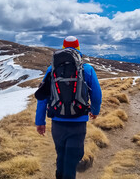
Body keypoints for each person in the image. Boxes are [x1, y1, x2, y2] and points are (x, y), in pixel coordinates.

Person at [35, 36, 102, 179]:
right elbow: (96, 94)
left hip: (57, 121)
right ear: (78, 48)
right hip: (78, 121)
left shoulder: (51, 69)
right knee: (73, 158)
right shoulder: (87, 69)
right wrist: (95, 111)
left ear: (64, 47)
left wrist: (40, 122)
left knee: (61, 155)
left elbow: (43, 97)